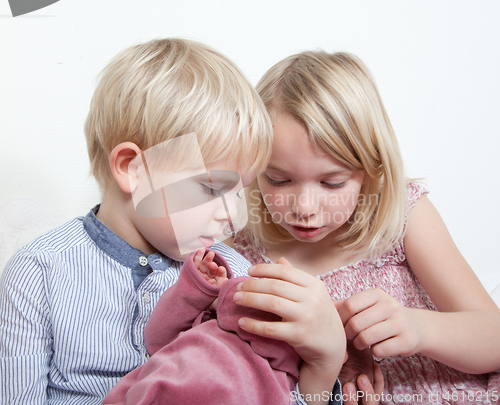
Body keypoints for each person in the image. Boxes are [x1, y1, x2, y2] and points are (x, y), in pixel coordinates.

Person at [0, 39, 346, 405]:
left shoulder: (234, 273)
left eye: (239, 192)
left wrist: (324, 366)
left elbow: (270, 390)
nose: (230, 215)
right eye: (213, 188)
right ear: (133, 169)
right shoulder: (39, 272)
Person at [230, 50, 500, 403]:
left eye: (332, 183)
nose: (305, 208)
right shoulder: (240, 262)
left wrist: (418, 328)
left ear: (371, 168)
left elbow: (493, 337)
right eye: (279, 181)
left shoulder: (403, 218)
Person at [101, 248, 302, 405]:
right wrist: (197, 291)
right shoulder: (207, 325)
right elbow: (156, 341)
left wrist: (228, 293)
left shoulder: (288, 358)